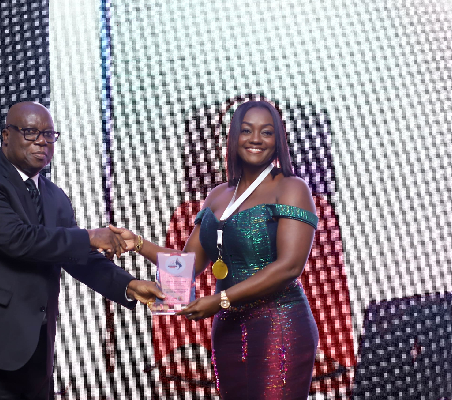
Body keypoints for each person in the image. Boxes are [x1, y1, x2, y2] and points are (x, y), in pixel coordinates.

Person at [0, 101, 163, 400]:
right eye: (31, 132)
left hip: (35, 357)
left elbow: (76, 257)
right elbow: (19, 240)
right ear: (7, 136)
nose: (42, 141)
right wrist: (90, 236)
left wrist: (129, 285)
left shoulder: (55, 196)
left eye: (49, 134)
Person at [113, 100, 319, 398]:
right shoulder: (218, 196)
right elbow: (188, 264)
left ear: (278, 141)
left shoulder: (290, 187)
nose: (256, 139)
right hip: (228, 331)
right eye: (247, 130)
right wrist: (139, 244)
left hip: (279, 327)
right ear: (234, 137)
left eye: (267, 132)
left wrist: (219, 300)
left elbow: (289, 267)